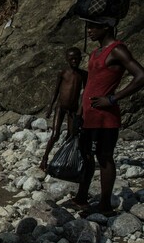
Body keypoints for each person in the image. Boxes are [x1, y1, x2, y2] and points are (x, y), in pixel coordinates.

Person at [70, 17, 144, 215]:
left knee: (104, 158)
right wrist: (79, 113)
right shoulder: (95, 52)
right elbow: (90, 86)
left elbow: (141, 75)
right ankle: (81, 198)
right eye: (88, 26)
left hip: (105, 118)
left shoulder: (117, 50)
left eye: (93, 26)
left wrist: (112, 99)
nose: (89, 31)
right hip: (89, 116)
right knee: (86, 156)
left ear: (106, 27)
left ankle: (104, 205)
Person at [39, 47, 88, 171]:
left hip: (73, 109)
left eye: (76, 58)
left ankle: (64, 159)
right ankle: (44, 158)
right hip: (60, 107)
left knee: (71, 135)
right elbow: (55, 91)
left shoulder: (83, 75)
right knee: (55, 134)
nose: (74, 61)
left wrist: (80, 111)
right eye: (71, 59)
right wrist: (50, 106)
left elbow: (85, 94)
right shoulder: (63, 72)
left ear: (80, 59)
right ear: (67, 59)